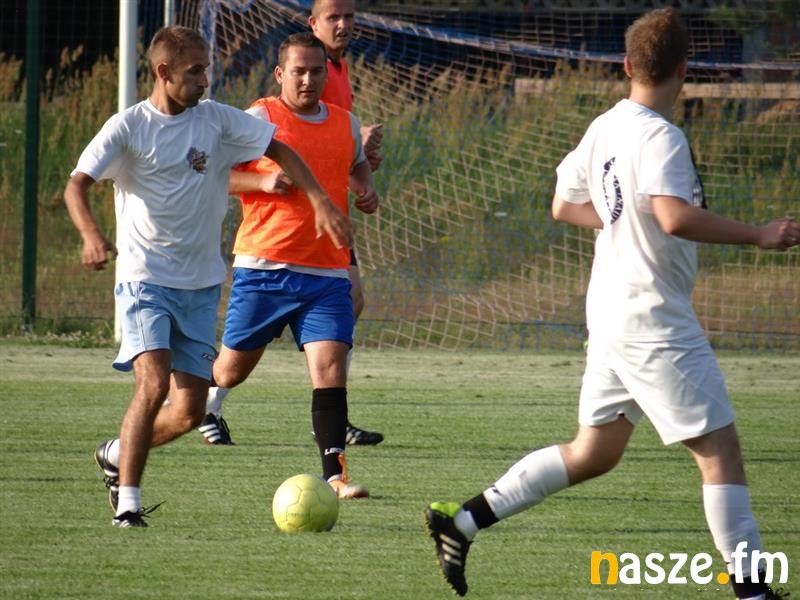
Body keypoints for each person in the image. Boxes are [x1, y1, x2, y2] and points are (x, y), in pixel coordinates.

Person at [423, 8, 797, 598]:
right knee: (719, 452)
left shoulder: (606, 125)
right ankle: (753, 590)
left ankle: (463, 521)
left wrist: (621, 222)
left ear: (626, 65)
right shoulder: (662, 136)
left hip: (610, 314)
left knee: (594, 452)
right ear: (684, 68)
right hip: (652, 320)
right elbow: (672, 217)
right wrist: (758, 234)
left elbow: (563, 205)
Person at [64, 25, 351, 527]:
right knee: (153, 384)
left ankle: (116, 453)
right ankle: (128, 506)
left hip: (199, 285)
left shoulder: (216, 119)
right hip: (144, 277)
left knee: (189, 412)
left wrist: (321, 200)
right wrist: (91, 235)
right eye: (195, 71)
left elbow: (281, 149)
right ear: (163, 72)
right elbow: (76, 185)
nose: (205, 80)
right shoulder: (129, 127)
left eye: (206, 70)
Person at [199, 0, 385, 446]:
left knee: (335, 351)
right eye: (299, 72)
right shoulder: (260, 118)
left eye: (315, 72)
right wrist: (261, 180)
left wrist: (364, 185)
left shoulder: (345, 118)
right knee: (230, 369)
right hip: (267, 264)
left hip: (326, 263)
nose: (308, 80)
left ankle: (334, 457)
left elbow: (355, 161)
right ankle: (202, 400)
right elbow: (211, 173)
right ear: (280, 74)